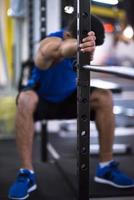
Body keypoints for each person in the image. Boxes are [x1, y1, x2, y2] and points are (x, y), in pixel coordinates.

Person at [8, 15, 134, 200]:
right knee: (25, 99)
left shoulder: (85, 46)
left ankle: (106, 167)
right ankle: (26, 173)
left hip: (69, 98)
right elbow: (56, 50)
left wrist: (86, 47)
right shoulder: (51, 41)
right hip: (42, 100)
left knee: (104, 96)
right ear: (68, 34)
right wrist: (77, 46)